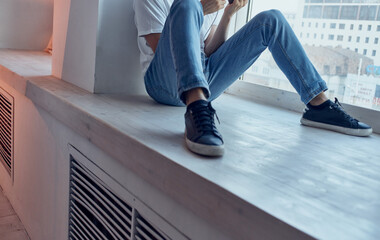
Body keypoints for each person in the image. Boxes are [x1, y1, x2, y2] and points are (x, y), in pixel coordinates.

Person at [133, 0, 372, 157]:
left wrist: (226, 14)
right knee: (186, 3)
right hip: (164, 85)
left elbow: (209, 52)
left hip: (204, 81)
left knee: (272, 18)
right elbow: (161, 49)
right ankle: (196, 110)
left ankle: (319, 104)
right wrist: (199, 7)